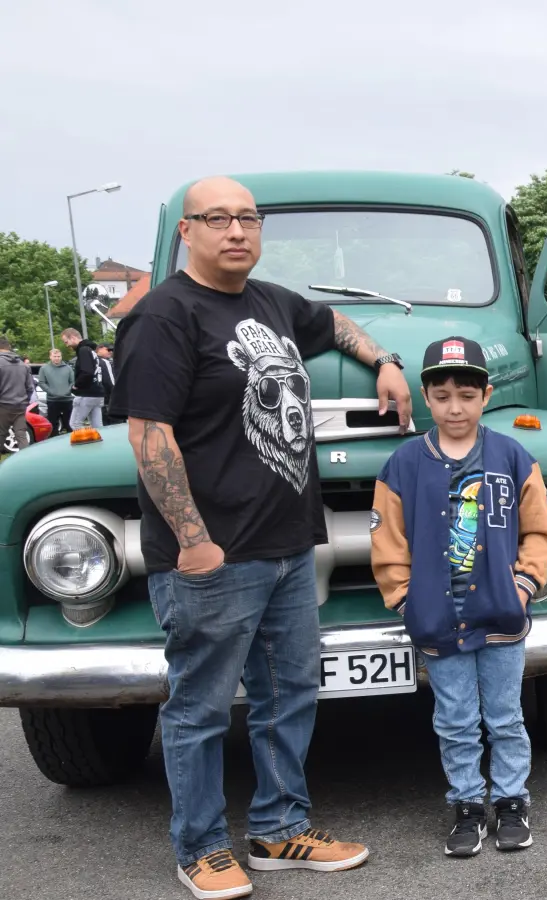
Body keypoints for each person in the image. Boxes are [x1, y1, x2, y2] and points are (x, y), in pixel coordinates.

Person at [109, 176, 412, 900]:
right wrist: (192, 538)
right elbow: (150, 433)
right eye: (218, 218)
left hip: (285, 545)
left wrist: (387, 361)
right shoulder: (162, 317)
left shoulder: (270, 302)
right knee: (201, 707)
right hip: (212, 555)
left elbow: (333, 321)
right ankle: (201, 848)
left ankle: (280, 829)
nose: (237, 231)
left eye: (249, 218)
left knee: (289, 696)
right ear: (187, 232)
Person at [370, 336, 547, 858]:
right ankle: (468, 806)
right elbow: (388, 541)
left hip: (500, 617)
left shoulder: (512, 456)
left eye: (468, 395)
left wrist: (523, 586)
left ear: (487, 395)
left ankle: (512, 803)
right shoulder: (404, 464)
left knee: (505, 717)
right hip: (437, 623)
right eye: (444, 394)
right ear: (425, 396)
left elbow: (540, 532)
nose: (456, 407)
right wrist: (408, 601)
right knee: (454, 720)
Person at [61, 327, 105, 428]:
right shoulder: (91, 350)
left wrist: (77, 385)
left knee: (75, 424)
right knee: (97, 426)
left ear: (73, 337)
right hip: (97, 392)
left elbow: (87, 372)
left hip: (86, 392)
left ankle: (85, 443)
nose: (66, 345)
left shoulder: (83, 350)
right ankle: (99, 442)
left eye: (66, 342)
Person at [0, 336, 33, 455]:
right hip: (20, 405)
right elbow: (30, 388)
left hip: (3, 405)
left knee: (1, 434)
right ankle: (26, 463)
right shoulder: (23, 365)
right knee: (21, 435)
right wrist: (25, 401)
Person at [38, 347, 75, 435]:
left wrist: (67, 390)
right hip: (52, 400)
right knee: (53, 423)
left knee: (70, 423)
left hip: (67, 399)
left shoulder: (68, 368)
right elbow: (42, 382)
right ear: (50, 357)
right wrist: (51, 391)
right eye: (55, 356)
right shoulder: (44, 368)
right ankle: (54, 440)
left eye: (59, 356)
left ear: (61, 357)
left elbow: (73, 382)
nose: (57, 358)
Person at [96, 342, 126, 425]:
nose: (110, 352)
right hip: (108, 399)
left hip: (97, 398)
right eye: (107, 349)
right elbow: (110, 382)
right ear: (99, 349)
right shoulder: (104, 362)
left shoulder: (93, 360)